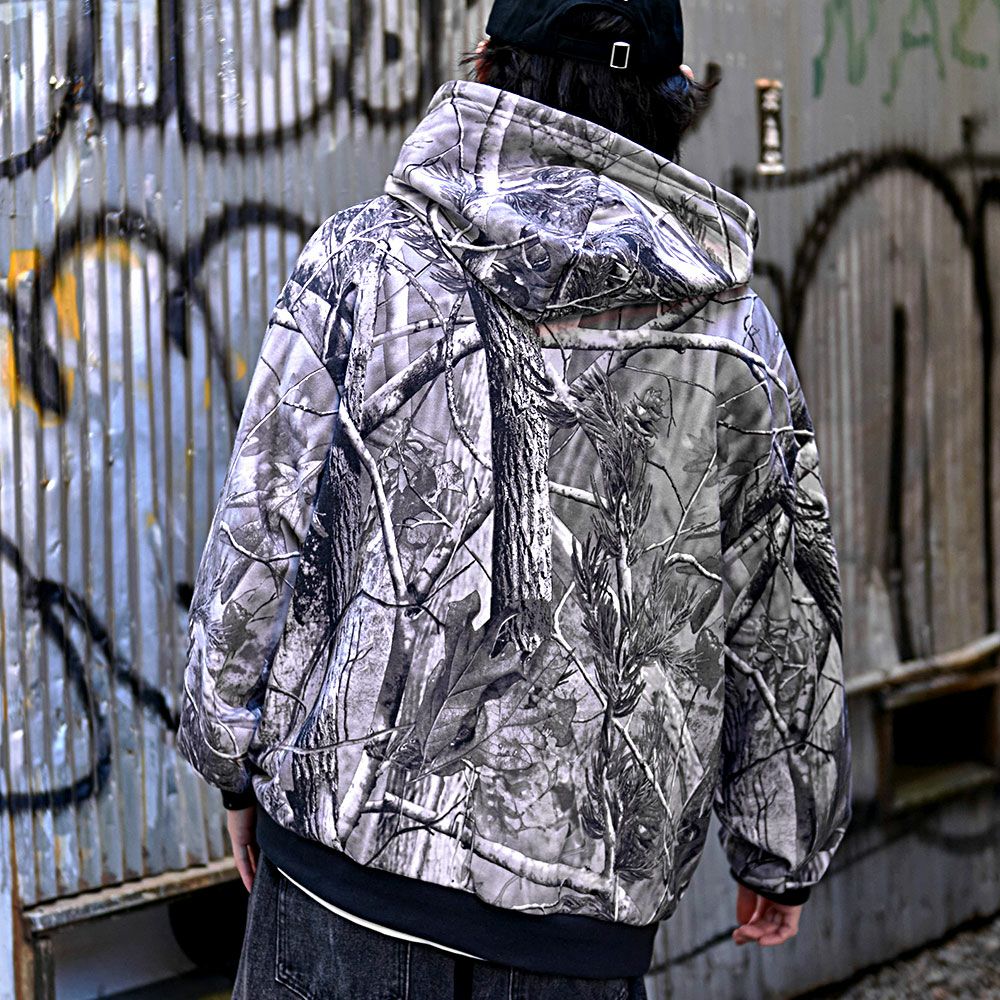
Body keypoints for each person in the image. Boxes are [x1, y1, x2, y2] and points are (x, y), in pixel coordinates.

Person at [176, 1, 853, 997]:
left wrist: (229, 755)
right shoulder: (731, 332)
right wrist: (780, 842)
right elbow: (782, 607)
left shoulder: (366, 263)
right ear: (669, 99)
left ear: (487, 64)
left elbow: (260, 526)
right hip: (577, 927)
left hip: (340, 880)